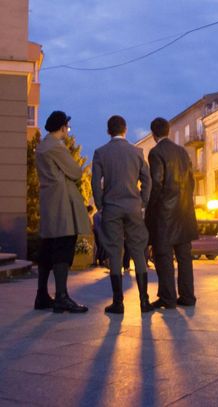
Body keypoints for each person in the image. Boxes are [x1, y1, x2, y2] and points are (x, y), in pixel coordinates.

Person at [91, 115, 153, 314]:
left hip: (111, 207)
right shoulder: (137, 152)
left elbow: (95, 183)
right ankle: (144, 301)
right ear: (125, 130)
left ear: (108, 131)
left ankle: (118, 302)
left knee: (115, 252)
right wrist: (142, 202)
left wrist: (100, 205)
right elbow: (147, 180)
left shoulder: (100, 153)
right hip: (133, 207)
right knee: (138, 251)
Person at [35, 111, 90, 313]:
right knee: (63, 246)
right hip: (62, 202)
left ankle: (42, 295)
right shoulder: (56, 146)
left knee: (47, 247)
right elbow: (75, 172)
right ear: (62, 127)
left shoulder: (42, 146)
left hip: (49, 201)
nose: (68, 130)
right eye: (67, 127)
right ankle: (61, 297)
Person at [145, 117, 199, 308]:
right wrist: (186, 202)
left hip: (165, 216)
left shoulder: (156, 153)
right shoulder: (182, 151)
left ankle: (168, 298)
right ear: (168, 131)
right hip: (184, 213)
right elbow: (191, 181)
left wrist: (150, 210)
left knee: (164, 257)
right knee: (185, 258)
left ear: (153, 134)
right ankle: (188, 296)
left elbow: (156, 184)